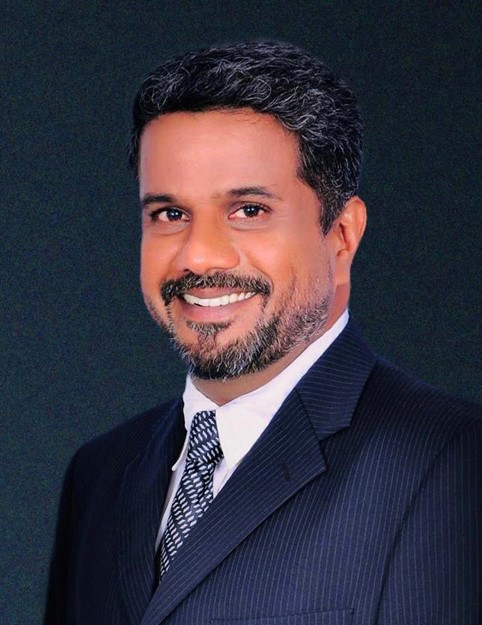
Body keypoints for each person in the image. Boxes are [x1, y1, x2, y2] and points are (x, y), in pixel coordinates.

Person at [44, 41, 481, 625]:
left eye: (248, 210)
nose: (199, 256)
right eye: (169, 214)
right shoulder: (98, 475)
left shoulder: (450, 461)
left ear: (342, 236)